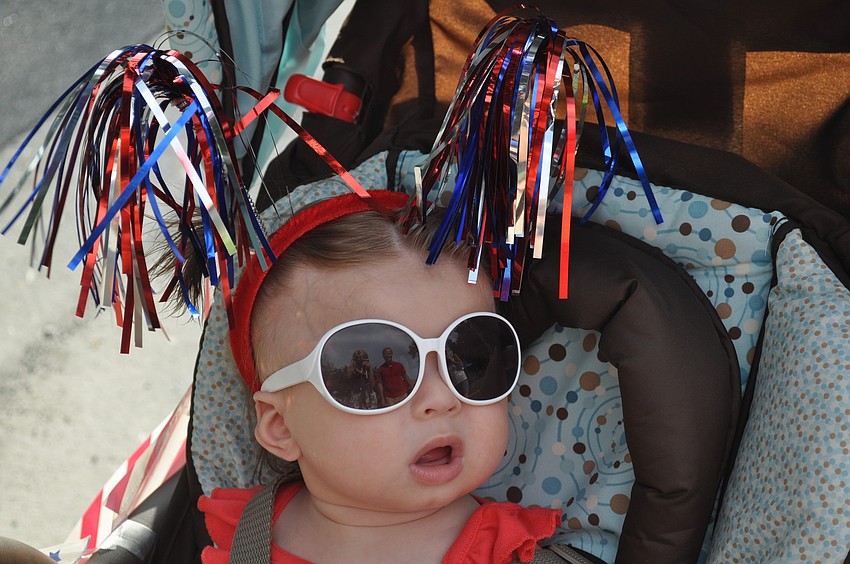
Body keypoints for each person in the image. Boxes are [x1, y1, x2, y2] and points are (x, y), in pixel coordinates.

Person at [197, 192, 561, 563]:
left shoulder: (510, 550)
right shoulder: (240, 537)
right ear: (282, 426)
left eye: (468, 358)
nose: (440, 398)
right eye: (368, 363)